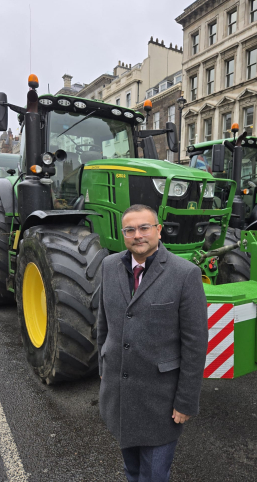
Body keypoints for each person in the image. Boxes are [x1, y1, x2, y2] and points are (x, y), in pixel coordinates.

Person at [97, 204, 208, 482]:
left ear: (158, 231)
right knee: (131, 471)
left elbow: (195, 345)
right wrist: (104, 367)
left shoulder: (185, 274)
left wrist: (186, 402)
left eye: (145, 227)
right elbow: (104, 324)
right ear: (123, 234)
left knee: (154, 476)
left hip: (161, 403)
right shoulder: (109, 266)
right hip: (120, 397)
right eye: (130, 229)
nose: (138, 235)